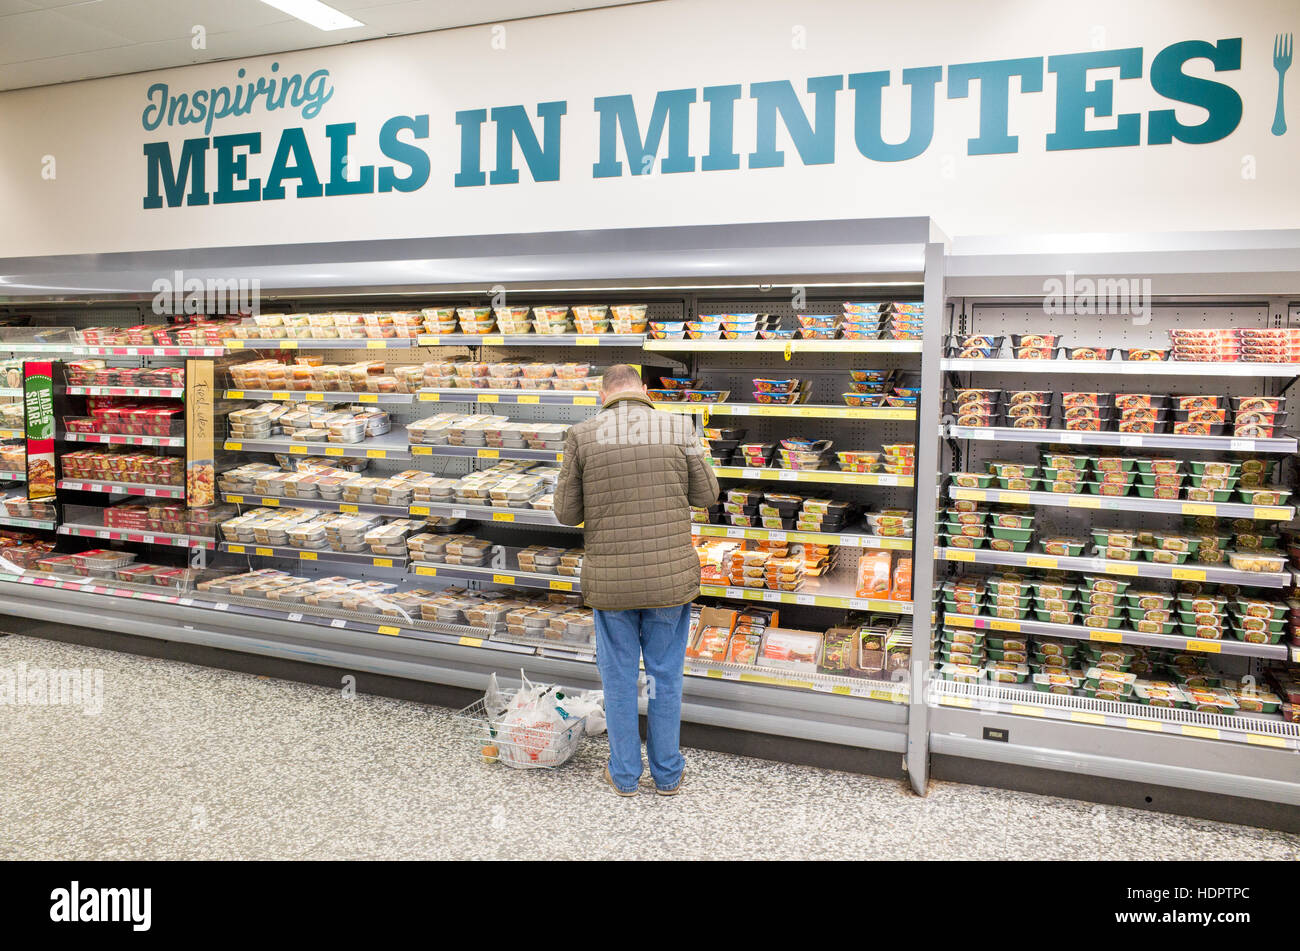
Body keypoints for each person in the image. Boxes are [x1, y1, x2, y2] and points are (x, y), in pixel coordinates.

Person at [553, 364, 719, 796]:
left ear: (603, 395)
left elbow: (566, 514)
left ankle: (624, 775)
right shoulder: (679, 427)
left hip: (611, 585)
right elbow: (707, 496)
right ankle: (667, 775)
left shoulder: (582, 436)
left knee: (619, 678)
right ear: (644, 390)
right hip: (669, 581)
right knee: (666, 676)